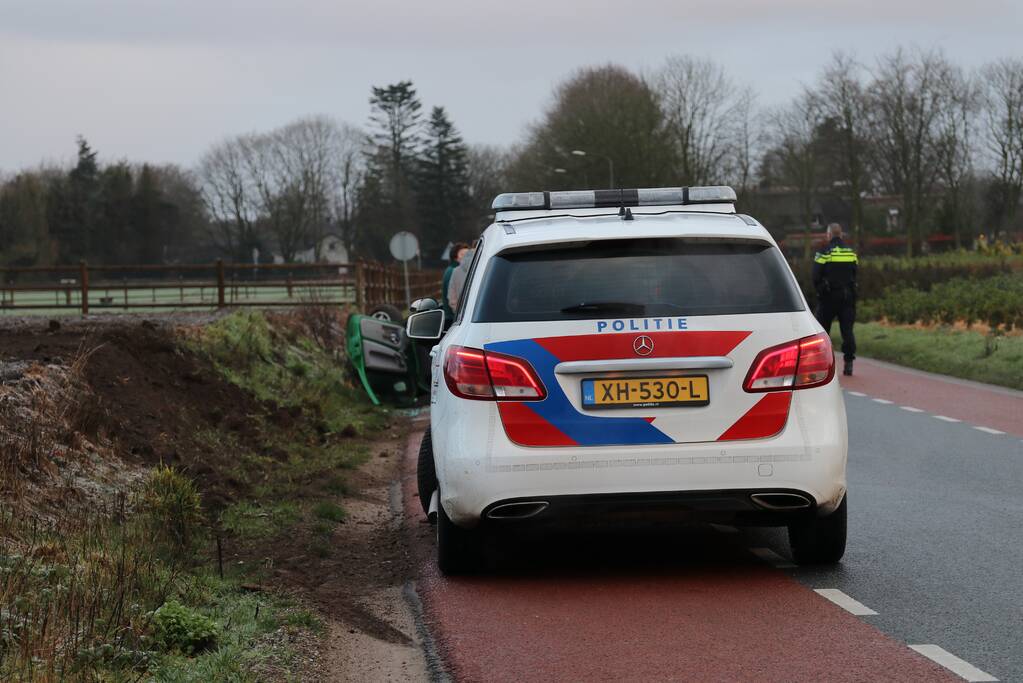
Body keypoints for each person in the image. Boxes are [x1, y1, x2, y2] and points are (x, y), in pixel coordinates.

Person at [813, 223, 859, 376]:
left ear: (829, 235)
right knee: (847, 331)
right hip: (847, 297)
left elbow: (815, 276)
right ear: (841, 235)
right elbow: (855, 273)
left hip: (829, 298)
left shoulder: (824, 252)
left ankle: (823, 364)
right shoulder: (851, 253)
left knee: (822, 332)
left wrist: (820, 291)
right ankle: (849, 363)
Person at [441, 242, 468, 317]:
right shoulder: (454, 271)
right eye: (463, 254)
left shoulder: (453, 269)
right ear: (455, 257)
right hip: (453, 318)